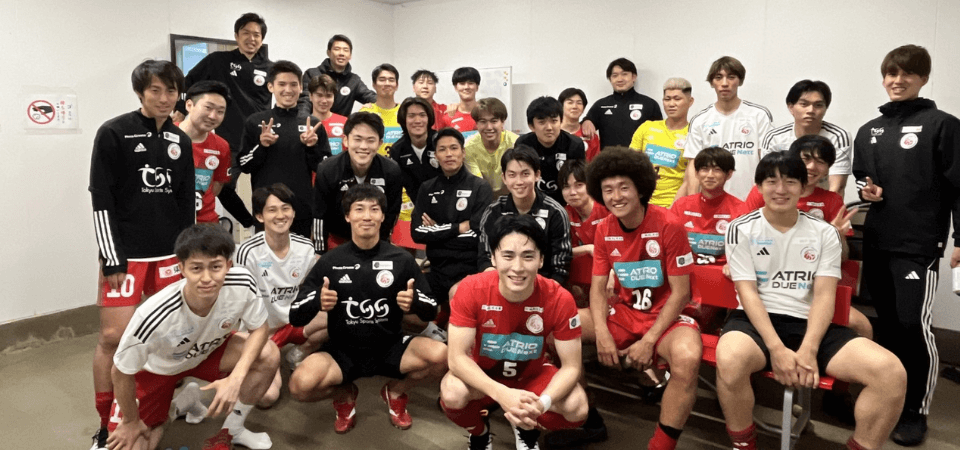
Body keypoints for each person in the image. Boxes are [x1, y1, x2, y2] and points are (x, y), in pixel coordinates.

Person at [716, 152, 907, 450]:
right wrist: (776, 348)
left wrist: (809, 348)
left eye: (790, 182)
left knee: (891, 373)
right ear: (759, 186)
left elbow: (825, 295)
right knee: (729, 359)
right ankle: (743, 445)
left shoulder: (824, 233)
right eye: (771, 181)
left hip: (812, 324)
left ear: (803, 186)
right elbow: (748, 293)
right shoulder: (740, 228)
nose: (781, 189)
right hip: (756, 323)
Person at [852, 44, 960, 446]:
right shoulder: (870, 130)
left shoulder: (943, 125)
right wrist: (868, 190)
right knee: (889, 325)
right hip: (878, 241)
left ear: (923, 78)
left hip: (919, 246)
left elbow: (959, 188)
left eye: (907, 73)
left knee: (914, 326)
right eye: (891, 73)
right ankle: (890, 399)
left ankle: (917, 410)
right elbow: (863, 179)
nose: (897, 80)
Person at [88, 60, 195, 450]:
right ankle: (106, 424)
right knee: (113, 338)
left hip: (168, 258)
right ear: (140, 92)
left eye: (171, 91)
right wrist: (112, 257)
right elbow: (101, 198)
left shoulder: (181, 140)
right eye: (155, 90)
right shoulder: (114, 132)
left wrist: (186, 256)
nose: (164, 98)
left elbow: (185, 204)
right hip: (127, 258)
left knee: (165, 338)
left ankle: (152, 412)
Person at [287, 184, 447, 433]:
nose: (367, 216)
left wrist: (414, 302)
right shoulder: (330, 261)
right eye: (359, 209)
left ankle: (395, 392)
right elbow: (296, 315)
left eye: (374, 209)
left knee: (443, 356)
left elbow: (431, 311)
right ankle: (344, 395)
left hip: (390, 346)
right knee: (300, 386)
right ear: (348, 216)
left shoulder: (402, 260)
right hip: (343, 351)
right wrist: (318, 300)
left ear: (383, 216)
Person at [106, 224, 279, 450]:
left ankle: (232, 430)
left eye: (215, 267)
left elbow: (260, 330)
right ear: (182, 269)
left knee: (269, 353)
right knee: (133, 445)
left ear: (228, 266)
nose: (206, 278)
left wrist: (236, 377)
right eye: (196, 268)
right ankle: (177, 407)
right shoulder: (152, 315)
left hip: (207, 354)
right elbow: (120, 371)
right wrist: (130, 421)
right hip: (157, 371)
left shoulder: (243, 282)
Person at [584, 147, 703, 450]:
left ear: (640, 188)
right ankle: (585, 417)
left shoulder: (669, 224)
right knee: (560, 327)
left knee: (688, 359)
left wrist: (648, 341)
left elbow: (682, 292)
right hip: (625, 312)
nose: (616, 196)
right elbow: (597, 288)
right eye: (608, 190)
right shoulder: (604, 229)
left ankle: (661, 445)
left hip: (667, 317)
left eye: (624, 187)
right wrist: (602, 334)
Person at [440, 214, 589, 450]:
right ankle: (480, 432)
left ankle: (527, 427)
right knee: (452, 392)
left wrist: (539, 406)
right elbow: (456, 358)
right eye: (508, 256)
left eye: (528, 256)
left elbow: (572, 367)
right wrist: (502, 394)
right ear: (493, 258)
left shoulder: (560, 298)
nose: (517, 268)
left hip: (532, 375)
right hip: (484, 374)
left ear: (541, 259)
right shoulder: (471, 289)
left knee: (577, 407)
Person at [175, 12, 273, 229]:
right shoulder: (218, 61)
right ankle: (249, 223)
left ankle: (263, 230)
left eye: (256, 35)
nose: (251, 38)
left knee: (266, 191)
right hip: (231, 140)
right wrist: (181, 109)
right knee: (223, 188)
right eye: (246, 33)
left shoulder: (271, 69)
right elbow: (187, 82)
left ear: (262, 39)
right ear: (236, 36)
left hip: (261, 141)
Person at [234, 184, 320, 407]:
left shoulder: (306, 247)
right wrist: (260, 333)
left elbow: (312, 290)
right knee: (266, 398)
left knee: (340, 314)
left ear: (293, 212)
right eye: (272, 210)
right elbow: (241, 301)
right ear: (260, 216)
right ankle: (266, 357)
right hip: (261, 330)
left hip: (293, 322)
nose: (280, 215)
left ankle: (299, 352)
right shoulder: (248, 251)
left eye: (285, 208)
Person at [411, 128, 494, 339]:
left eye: (454, 148)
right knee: (401, 298)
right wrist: (458, 227)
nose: (449, 154)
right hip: (437, 270)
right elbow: (418, 233)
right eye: (442, 149)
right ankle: (438, 333)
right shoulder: (427, 188)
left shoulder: (480, 187)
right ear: (435, 156)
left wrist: (436, 231)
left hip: (470, 269)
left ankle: (453, 344)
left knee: (458, 301)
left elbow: (477, 234)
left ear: (463, 153)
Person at [238, 60, 328, 238]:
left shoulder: (312, 124)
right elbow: (243, 164)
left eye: (293, 84)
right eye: (282, 84)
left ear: (301, 87)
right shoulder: (256, 122)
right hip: (267, 209)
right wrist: (261, 145)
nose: (288, 89)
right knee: (266, 255)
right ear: (270, 86)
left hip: (301, 209)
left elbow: (324, 169)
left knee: (301, 255)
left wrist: (312, 147)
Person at [478, 145, 572, 285]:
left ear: (537, 175)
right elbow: (485, 258)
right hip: (502, 285)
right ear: (504, 178)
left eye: (525, 174)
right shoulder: (493, 212)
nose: (519, 182)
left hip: (543, 286)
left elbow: (560, 268)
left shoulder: (555, 213)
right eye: (512, 175)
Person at [683, 56, 773, 200]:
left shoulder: (759, 115)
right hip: (712, 203)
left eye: (731, 77)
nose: (725, 83)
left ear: (740, 81)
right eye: (719, 77)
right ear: (712, 82)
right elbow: (693, 165)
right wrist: (694, 203)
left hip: (751, 200)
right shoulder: (700, 120)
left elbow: (768, 161)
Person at [313, 112, 402, 254]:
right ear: (346, 141)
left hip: (375, 240)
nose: (363, 146)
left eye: (370, 140)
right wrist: (319, 252)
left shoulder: (391, 170)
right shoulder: (327, 169)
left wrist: (382, 245)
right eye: (357, 139)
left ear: (380, 143)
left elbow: (392, 213)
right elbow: (319, 215)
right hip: (337, 239)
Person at [760, 80, 853, 195]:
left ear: (826, 108)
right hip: (785, 200)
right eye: (804, 104)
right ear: (791, 107)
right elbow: (767, 180)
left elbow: (836, 187)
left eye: (818, 105)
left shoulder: (838, 137)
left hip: (823, 201)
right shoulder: (775, 137)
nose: (811, 110)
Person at [631, 78, 695, 207]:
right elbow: (630, 166)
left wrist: (673, 210)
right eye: (667, 99)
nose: (671, 104)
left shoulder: (694, 134)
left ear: (690, 101)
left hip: (674, 204)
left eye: (677, 99)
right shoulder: (646, 127)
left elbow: (691, 180)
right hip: (643, 203)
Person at [514, 96, 586, 206]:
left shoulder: (574, 144)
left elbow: (579, 180)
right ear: (531, 126)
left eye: (554, 121)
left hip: (566, 203)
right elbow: (520, 178)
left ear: (561, 121)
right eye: (542, 122)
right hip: (532, 202)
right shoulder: (523, 144)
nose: (549, 127)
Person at [179, 81, 232, 224]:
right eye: (208, 108)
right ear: (189, 105)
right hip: (171, 224)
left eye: (220, 111)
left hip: (206, 226)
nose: (213, 116)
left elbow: (216, 188)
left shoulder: (222, 146)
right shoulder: (165, 137)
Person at [580, 57, 663, 147]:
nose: (620, 79)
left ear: (634, 77)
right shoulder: (601, 105)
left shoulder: (649, 104)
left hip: (638, 156)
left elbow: (660, 135)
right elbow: (581, 128)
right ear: (610, 79)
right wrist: (586, 120)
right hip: (608, 156)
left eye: (624, 74)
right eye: (615, 75)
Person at [558, 159, 609, 305]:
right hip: (580, 278)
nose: (572, 192)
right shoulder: (564, 213)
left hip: (610, 272)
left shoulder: (607, 208)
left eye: (579, 185)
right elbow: (561, 251)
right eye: (566, 187)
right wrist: (588, 248)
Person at [299, 34, 377, 117]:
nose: (341, 53)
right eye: (337, 49)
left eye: (345, 50)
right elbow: (305, 101)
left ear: (350, 55)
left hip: (341, 124)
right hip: (314, 123)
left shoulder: (353, 80)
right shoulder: (312, 74)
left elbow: (370, 97)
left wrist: (371, 106)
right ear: (328, 52)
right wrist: (304, 120)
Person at [390, 96, 440, 221]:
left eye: (422, 115)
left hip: (451, 207)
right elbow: (397, 190)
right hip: (421, 212)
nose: (417, 120)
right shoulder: (397, 150)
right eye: (411, 116)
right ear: (404, 120)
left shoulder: (441, 142)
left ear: (429, 118)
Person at [464, 97, 519, 198]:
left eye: (494, 121)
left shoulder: (515, 143)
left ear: (502, 123)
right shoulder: (468, 147)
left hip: (513, 195)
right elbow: (478, 185)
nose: (489, 127)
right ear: (476, 124)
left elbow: (518, 180)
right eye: (483, 121)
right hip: (483, 197)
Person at [360, 63, 402, 157]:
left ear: (397, 85)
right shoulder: (366, 113)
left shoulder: (404, 112)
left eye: (391, 80)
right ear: (374, 85)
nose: (387, 83)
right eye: (382, 80)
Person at [307, 74, 349, 156]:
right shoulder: (303, 123)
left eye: (328, 96)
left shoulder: (345, 122)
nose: (324, 101)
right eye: (319, 95)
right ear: (310, 96)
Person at [558, 87, 601, 161]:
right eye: (570, 102)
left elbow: (596, 164)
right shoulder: (552, 133)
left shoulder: (590, 135)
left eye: (579, 103)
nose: (575, 106)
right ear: (561, 106)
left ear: (583, 109)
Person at [437, 67, 480, 132]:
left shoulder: (486, 114)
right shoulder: (448, 117)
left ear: (477, 87)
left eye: (471, 83)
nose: (466, 87)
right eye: (462, 83)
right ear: (456, 88)